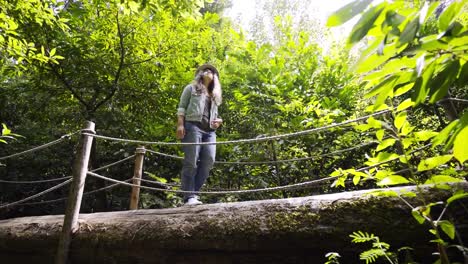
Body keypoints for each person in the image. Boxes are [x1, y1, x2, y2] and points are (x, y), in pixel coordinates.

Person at [176, 64, 223, 205]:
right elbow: (182, 107)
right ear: (200, 74)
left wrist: (219, 121)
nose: (209, 71)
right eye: (206, 70)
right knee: (191, 161)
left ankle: (193, 194)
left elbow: (215, 115)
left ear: (215, 77)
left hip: (209, 131)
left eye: (212, 71)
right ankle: (189, 196)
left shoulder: (215, 95)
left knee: (209, 160)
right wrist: (180, 124)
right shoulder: (190, 88)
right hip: (192, 126)